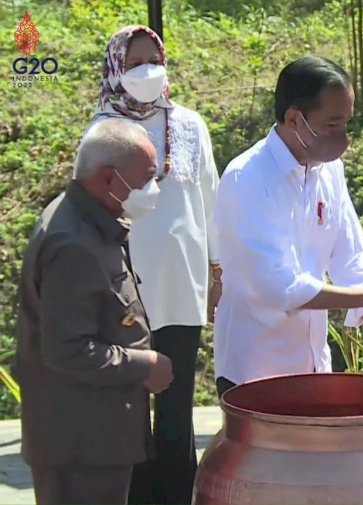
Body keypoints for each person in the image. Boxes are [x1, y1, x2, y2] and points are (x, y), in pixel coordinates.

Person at [213, 56, 363, 396]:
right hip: (253, 372)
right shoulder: (247, 178)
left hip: (313, 366)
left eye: (347, 123)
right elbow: (277, 286)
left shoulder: (328, 170)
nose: (343, 137)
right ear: (294, 118)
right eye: (333, 125)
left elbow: (351, 259)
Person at [88, 25, 221, 504]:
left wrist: (216, 269)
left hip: (182, 288)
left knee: (176, 410)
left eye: (155, 59)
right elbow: (87, 213)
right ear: (116, 69)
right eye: (136, 62)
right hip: (122, 293)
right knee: (129, 411)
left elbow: (210, 202)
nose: (148, 71)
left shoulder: (189, 124)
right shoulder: (101, 130)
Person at [16, 118, 173, 505]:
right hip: (79, 445)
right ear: (108, 178)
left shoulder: (94, 222)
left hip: (98, 436)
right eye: (147, 178)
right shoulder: (72, 243)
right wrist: (145, 365)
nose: (152, 190)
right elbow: (67, 349)